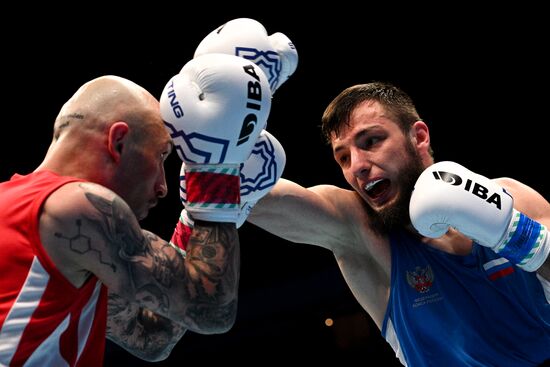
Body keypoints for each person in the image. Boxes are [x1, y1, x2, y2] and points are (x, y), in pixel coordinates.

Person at [247, 81, 550, 366]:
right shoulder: (364, 233)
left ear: (418, 136)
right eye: (343, 158)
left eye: (371, 141)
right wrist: (214, 154)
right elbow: (262, 199)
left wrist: (511, 231)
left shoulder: (512, 199)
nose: (358, 166)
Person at [0, 61, 268, 366]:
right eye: (161, 155)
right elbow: (210, 309)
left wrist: (197, 215)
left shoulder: (33, 217)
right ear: (118, 141)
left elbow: (153, 336)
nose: (163, 186)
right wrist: (214, 173)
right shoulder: (74, 206)